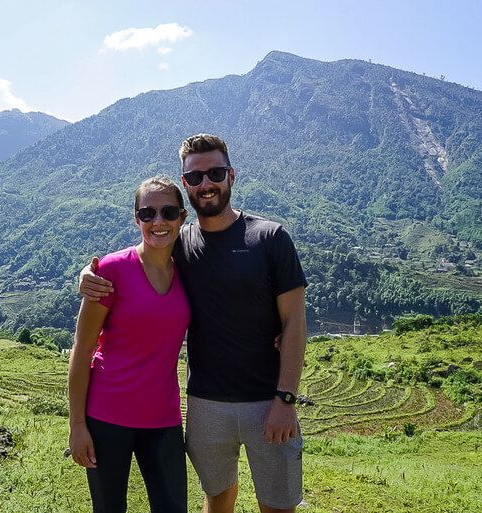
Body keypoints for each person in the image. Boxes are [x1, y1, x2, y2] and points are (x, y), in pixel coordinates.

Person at [80, 134, 308, 513]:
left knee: (277, 505)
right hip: (205, 403)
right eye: (195, 177)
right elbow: (140, 255)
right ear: (185, 185)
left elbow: (295, 321)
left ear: (231, 176)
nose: (206, 184)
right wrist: (87, 277)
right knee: (217, 497)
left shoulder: (270, 237)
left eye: (215, 173)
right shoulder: (181, 243)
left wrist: (286, 399)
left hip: (267, 401)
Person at [68, 176, 189, 513]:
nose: (158, 222)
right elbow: (81, 351)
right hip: (107, 417)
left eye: (167, 212)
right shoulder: (111, 271)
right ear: (136, 218)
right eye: (147, 213)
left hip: (163, 419)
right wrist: (77, 426)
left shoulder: (190, 270)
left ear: (182, 217)